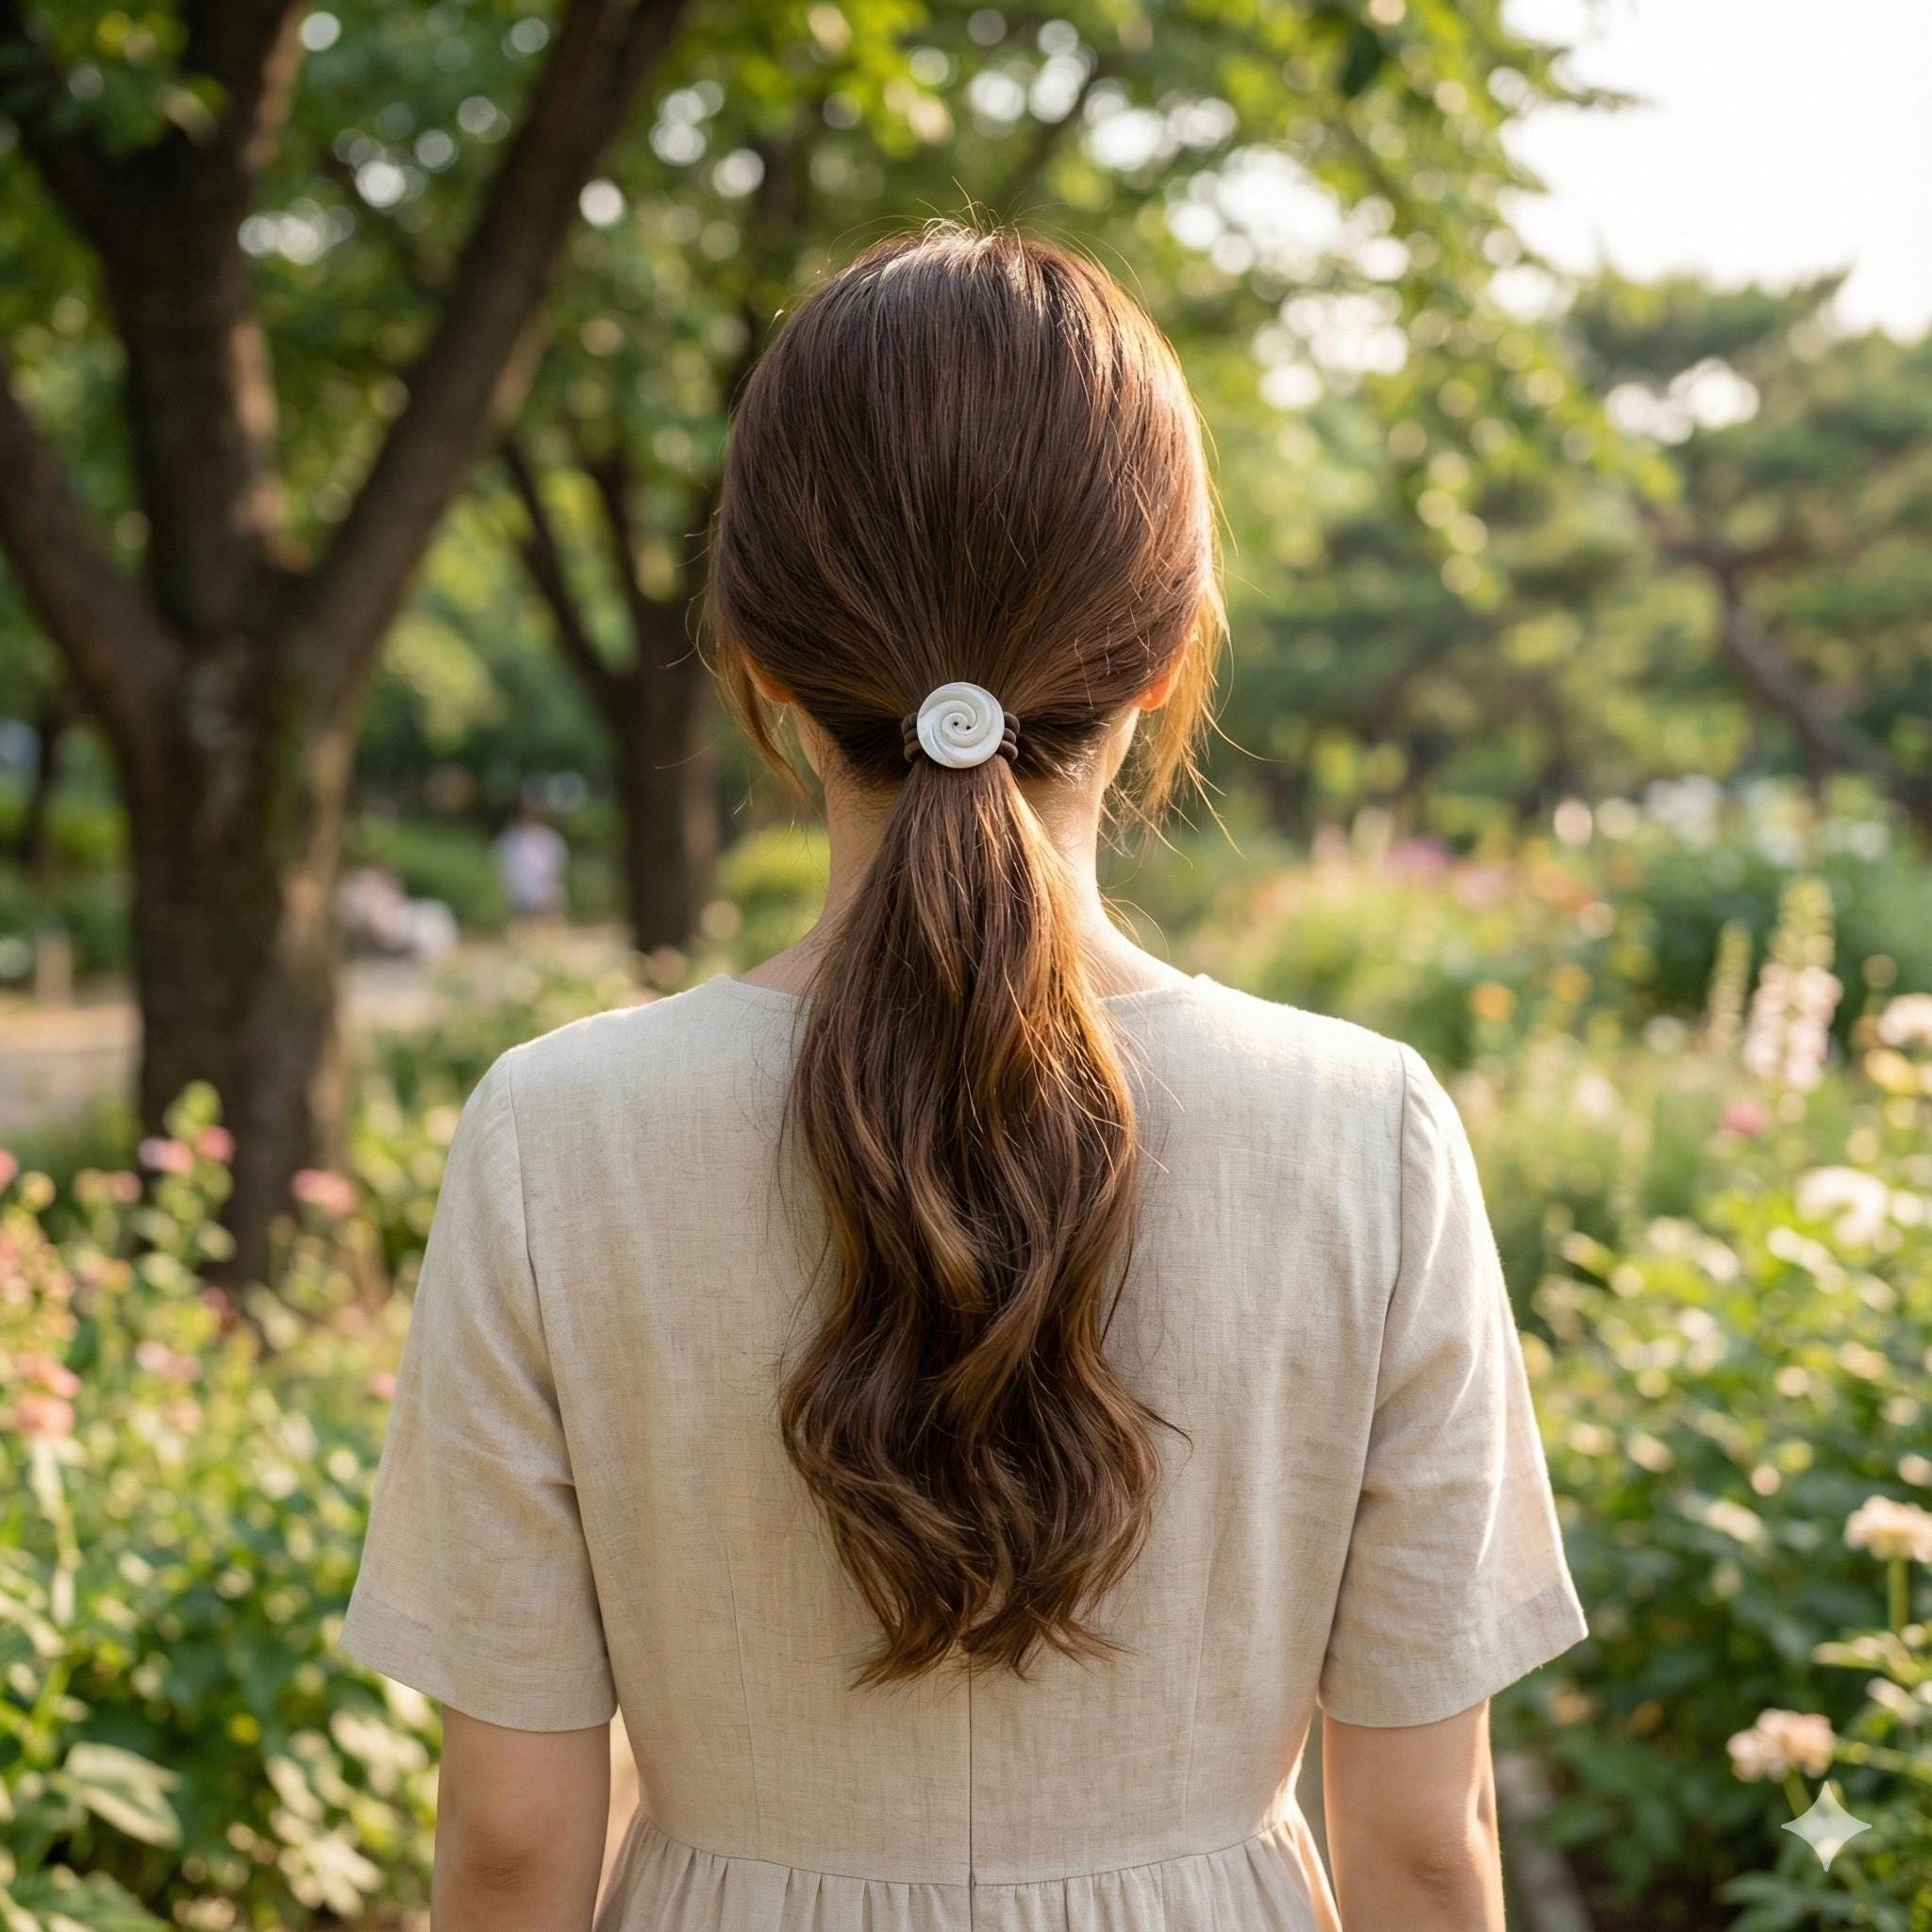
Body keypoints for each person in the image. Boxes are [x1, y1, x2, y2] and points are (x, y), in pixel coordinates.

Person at [341, 225, 1586, 1932]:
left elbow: (505, 1841)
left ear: (760, 661)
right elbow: (1424, 1847)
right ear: (1160, 662)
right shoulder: (1365, 1132)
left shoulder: (552, 1134)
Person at [493, 799, 570, 920]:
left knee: (554, 894)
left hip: (543, 891)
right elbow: (498, 870)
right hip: (513, 892)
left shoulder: (549, 838)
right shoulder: (505, 840)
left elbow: (556, 869)